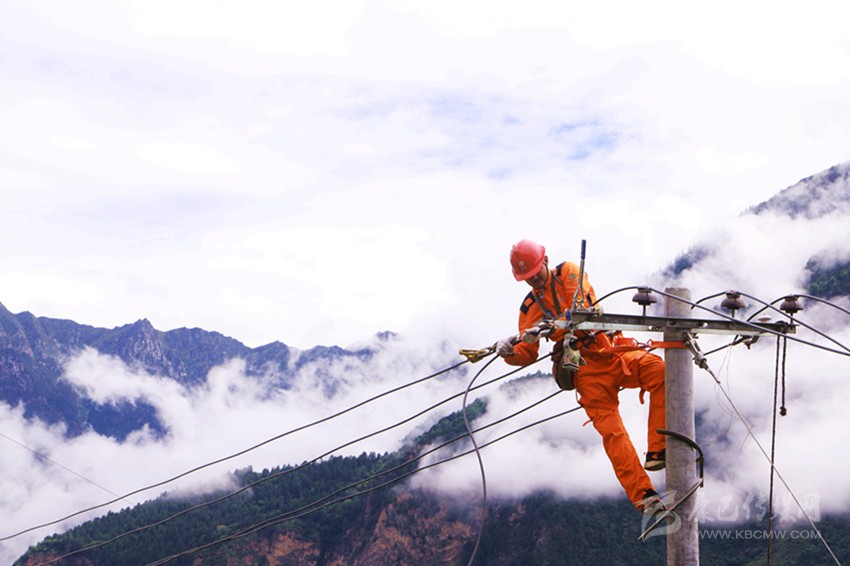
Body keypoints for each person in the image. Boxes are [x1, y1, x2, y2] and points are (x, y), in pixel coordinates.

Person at [497, 239, 666, 513]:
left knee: (658, 371)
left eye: (536, 273)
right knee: (612, 432)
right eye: (527, 278)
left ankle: (658, 448)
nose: (534, 280)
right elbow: (527, 353)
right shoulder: (529, 307)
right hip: (586, 369)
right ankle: (644, 495)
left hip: (611, 348)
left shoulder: (568, 272)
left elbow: (581, 303)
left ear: (546, 261)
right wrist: (510, 353)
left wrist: (552, 325)